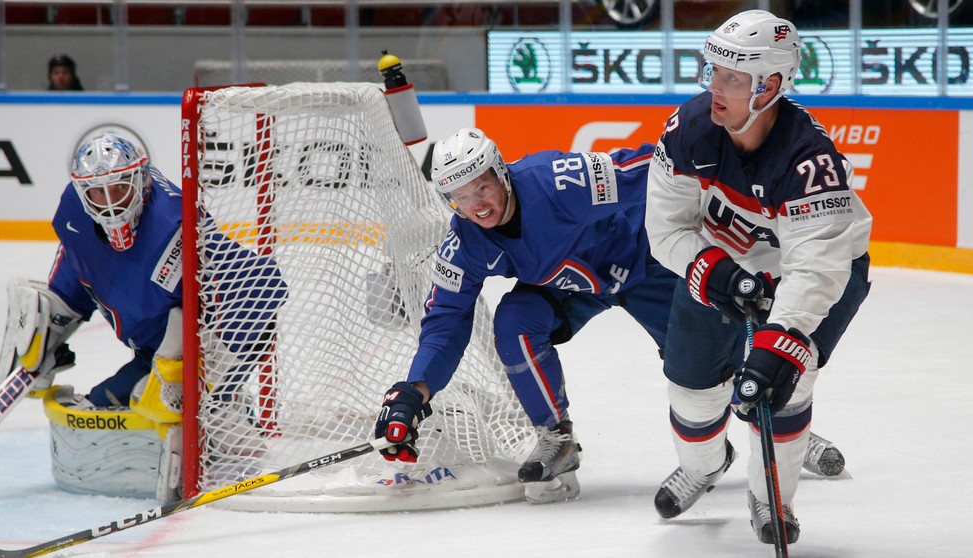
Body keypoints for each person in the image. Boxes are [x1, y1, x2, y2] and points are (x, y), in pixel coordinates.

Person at [644, 10, 872, 546]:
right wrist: (713, 270)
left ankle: (772, 498)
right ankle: (705, 464)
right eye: (712, 72)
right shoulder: (689, 130)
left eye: (732, 78)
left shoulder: (809, 160)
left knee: (786, 384)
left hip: (812, 276)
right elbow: (665, 229)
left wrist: (782, 339)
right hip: (721, 263)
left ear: (769, 86)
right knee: (690, 390)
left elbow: (815, 268)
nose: (714, 88)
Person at [372, 127, 678, 503]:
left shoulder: (559, 182)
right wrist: (413, 393)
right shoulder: (465, 243)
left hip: (649, 262)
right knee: (515, 323)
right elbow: (445, 321)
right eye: (461, 197)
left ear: (501, 173)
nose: (477, 205)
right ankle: (556, 438)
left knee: (710, 376)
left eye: (481, 187)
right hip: (573, 285)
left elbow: (657, 166)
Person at [0, 133, 287, 501]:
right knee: (99, 408)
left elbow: (262, 286)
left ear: (141, 181)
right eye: (97, 193)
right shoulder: (74, 212)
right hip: (150, 352)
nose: (109, 203)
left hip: (188, 355)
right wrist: (51, 323)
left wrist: (206, 380)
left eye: (119, 188)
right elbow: (81, 264)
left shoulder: (178, 225)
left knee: (183, 421)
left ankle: (226, 410)